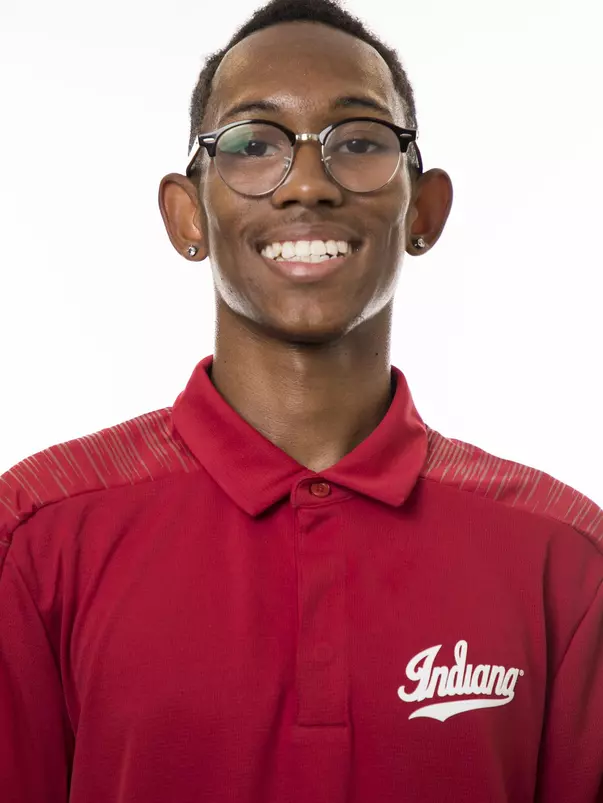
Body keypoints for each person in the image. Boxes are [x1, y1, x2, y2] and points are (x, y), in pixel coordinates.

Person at [1, 0, 601, 800]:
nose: (308, 184)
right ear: (188, 215)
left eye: (358, 142)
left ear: (424, 211)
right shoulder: (39, 535)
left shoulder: (561, 556)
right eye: (253, 145)